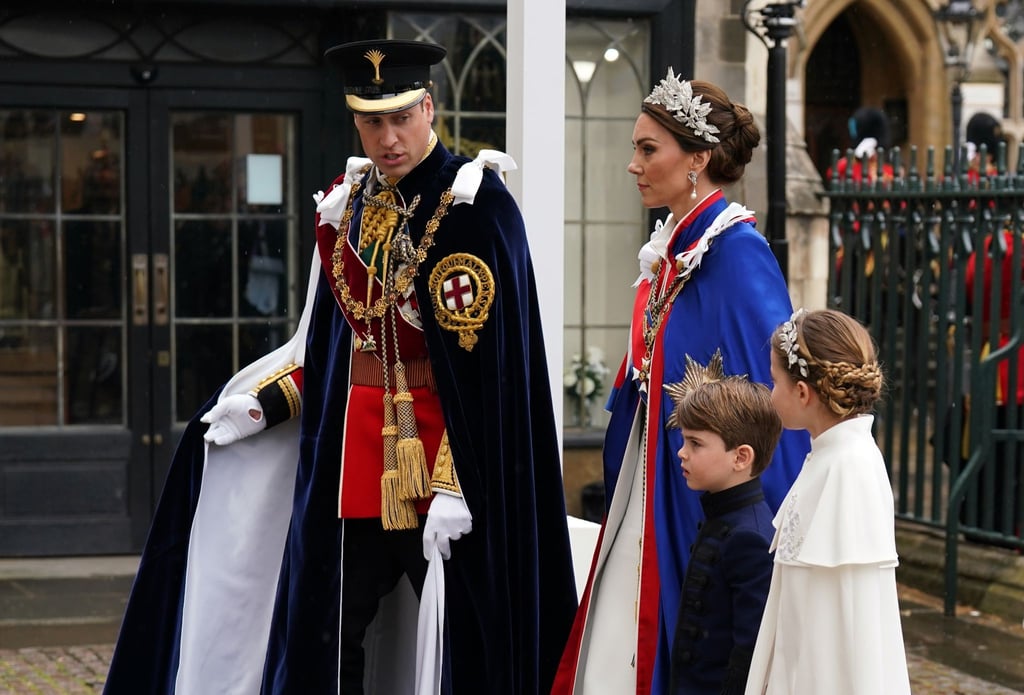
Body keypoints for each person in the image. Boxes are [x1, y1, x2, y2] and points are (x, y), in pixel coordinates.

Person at [104, 38, 578, 695]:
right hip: (356, 465)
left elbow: (492, 380)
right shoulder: (349, 208)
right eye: (372, 121)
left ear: (430, 106)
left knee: (469, 636)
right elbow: (333, 349)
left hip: (449, 467)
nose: (389, 138)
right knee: (327, 637)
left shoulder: (476, 209)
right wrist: (265, 405)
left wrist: (455, 482)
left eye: (402, 117)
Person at [552, 69, 808, 695]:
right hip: (653, 487)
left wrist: (766, 530)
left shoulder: (736, 252)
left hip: (696, 503)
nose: (633, 165)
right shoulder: (675, 248)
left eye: (648, 149)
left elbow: (774, 401)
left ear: (697, 159)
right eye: (635, 148)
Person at [745, 308, 911, 695]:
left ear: (802, 393)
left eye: (774, 382)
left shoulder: (847, 469)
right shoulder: (829, 457)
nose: (770, 394)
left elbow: (846, 624)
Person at [665, 351, 782, 695]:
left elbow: (747, 656)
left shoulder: (750, 538)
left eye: (695, 443)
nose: (681, 452)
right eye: (685, 440)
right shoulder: (721, 518)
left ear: (741, 456)